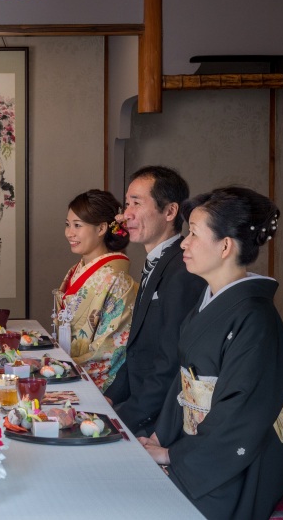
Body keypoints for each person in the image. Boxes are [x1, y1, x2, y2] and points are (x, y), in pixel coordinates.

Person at [139, 187, 283, 519]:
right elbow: (184, 382)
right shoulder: (212, 298)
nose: (184, 242)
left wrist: (171, 456)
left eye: (194, 234)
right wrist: (158, 437)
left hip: (231, 466)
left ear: (225, 246)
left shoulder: (255, 318)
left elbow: (241, 416)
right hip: (197, 447)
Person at [104, 166, 206, 436]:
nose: (126, 214)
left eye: (137, 203)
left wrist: (124, 419)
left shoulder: (183, 270)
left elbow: (170, 362)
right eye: (127, 203)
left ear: (170, 212)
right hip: (138, 403)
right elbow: (137, 351)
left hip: (161, 419)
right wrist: (111, 398)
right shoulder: (158, 262)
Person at [53, 189, 137, 390]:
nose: (69, 233)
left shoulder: (117, 278)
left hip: (84, 377)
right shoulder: (78, 269)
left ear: (101, 229)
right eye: (67, 225)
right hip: (67, 365)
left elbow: (109, 348)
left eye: (77, 225)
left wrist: (63, 370)